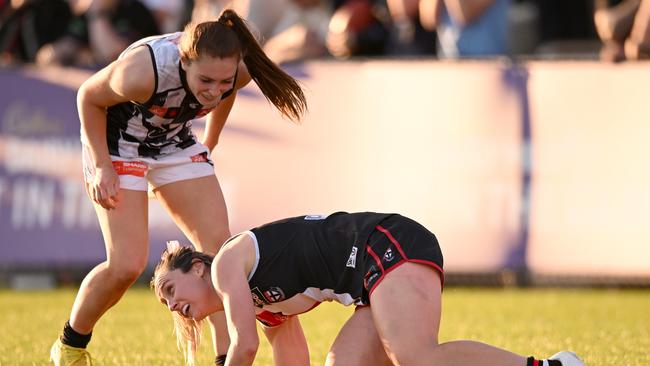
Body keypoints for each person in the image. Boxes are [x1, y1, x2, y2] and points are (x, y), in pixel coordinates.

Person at [49, 8, 307, 366]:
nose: (214, 91)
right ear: (185, 63)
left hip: (173, 142)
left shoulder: (238, 71)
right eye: (206, 81)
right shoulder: (143, 71)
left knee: (221, 255)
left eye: (223, 81)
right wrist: (102, 167)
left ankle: (222, 359)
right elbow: (88, 98)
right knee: (126, 264)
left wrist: (210, 142)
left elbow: (225, 93)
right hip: (117, 142)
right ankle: (70, 345)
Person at [152, 212, 586, 366]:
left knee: (415, 357)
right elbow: (290, 356)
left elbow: (243, 349)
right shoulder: (258, 301)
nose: (173, 305)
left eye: (171, 288)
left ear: (198, 267)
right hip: (368, 283)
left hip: (386, 244)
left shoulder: (228, 263)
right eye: (165, 302)